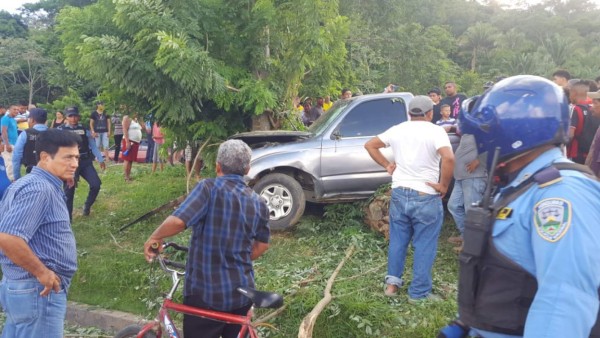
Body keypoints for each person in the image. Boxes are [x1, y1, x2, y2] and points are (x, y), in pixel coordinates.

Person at [439, 75, 600, 338]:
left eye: (485, 134)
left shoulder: (561, 196)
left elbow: (563, 303)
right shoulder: (520, 185)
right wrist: (466, 325)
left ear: (512, 131)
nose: (481, 143)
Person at [143, 139, 270, 338]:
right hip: (241, 293)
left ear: (217, 166)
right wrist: (234, 257)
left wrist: (155, 237)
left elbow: (178, 221)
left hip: (206, 294)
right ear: (247, 169)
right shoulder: (259, 202)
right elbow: (262, 245)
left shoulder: (208, 189)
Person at [364, 96, 454, 301]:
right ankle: (418, 293)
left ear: (409, 114)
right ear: (430, 113)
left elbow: (370, 145)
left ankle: (391, 286)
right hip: (426, 195)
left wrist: (387, 166)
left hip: (399, 193)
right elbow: (449, 158)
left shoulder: (397, 129)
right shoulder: (436, 131)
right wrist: (444, 186)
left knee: (398, 241)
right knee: (424, 244)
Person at [0, 128, 80, 338]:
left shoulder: (32, 184)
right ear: (45, 157)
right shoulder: (39, 188)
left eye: (77, 157)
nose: (75, 164)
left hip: (26, 289)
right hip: (37, 290)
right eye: (68, 157)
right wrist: (42, 272)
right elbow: (8, 237)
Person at [59, 106, 105, 218]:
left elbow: (93, 145)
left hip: (84, 161)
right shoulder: (60, 131)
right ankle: (67, 219)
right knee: (69, 192)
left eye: (75, 116)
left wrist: (100, 158)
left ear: (78, 116)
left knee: (96, 184)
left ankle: (87, 206)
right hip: (69, 163)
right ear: (66, 117)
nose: (73, 118)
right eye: (70, 116)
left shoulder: (84, 130)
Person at [12, 108, 48, 180]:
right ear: (45, 120)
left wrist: (17, 176)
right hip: (50, 174)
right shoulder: (54, 134)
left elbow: (16, 156)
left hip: (31, 172)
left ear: (32, 120)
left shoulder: (26, 133)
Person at [121, 111, 145, 181]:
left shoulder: (137, 120)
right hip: (129, 141)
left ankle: (129, 175)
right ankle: (126, 177)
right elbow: (125, 130)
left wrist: (141, 120)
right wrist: (127, 142)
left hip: (135, 142)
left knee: (131, 160)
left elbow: (143, 127)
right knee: (127, 159)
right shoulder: (127, 118)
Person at [1, 105, 20, 181]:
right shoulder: (5, 119)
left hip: (14, 144)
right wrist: (7, 144)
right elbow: (3, 131)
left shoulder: (13, 120)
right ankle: (11, 180)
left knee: (13, 162)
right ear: (9, 110)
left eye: (17, 109)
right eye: (14, 109)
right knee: (9, 163)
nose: (16, 111)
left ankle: (13, 179)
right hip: (8, 144)